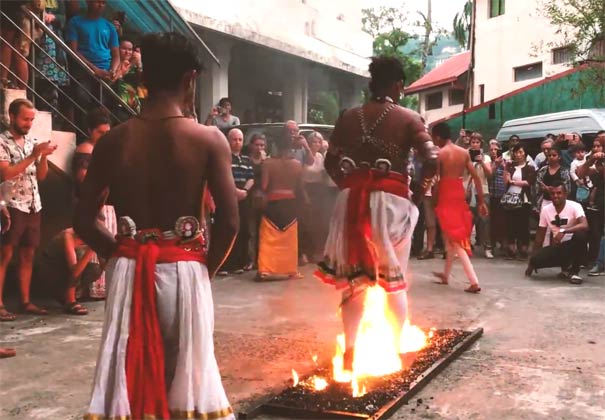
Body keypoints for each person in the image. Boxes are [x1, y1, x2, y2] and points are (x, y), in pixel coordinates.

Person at [74, 32, 238, 420]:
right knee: (186, 374)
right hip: (185, 270)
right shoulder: (208, 139)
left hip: (130, 270)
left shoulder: (113, 140)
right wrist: (204, 271)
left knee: (128, 373)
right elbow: (230, 222)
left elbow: (83, 219)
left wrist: (121, 254)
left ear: (145, 74)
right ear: (190, 79)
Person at [316, 56, 438, 369]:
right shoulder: (409, 117)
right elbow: (432, 161)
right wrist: (416, 195)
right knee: (394, 276)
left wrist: (349, 185)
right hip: (392, 203)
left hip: (351, 201)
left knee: (354, 279)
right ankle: (396, 353)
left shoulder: (347, 117)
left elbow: (330, 163)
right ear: (397, 84)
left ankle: (351, 353)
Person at [0, 99, 57, 321]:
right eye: (25, 119)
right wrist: (33, 155)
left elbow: (41, 177)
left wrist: (43, 158)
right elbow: (6, 173)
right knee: (5, 254)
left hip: (34, 204)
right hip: (12, 204)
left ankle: (25, 301)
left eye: (31, 119)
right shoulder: (3, 142)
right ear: (11, 116)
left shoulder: (31, 141)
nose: (29, 123)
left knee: (28, 253)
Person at [431, 122, 487, 293]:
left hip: (446, 194)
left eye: (434, 138)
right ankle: (446, 275)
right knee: (451, 237)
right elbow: (476, 177)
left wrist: (435, 200)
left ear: (438, 137)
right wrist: (481, 201)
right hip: (458, 192)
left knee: (455, 239)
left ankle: (474, 280)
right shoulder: (463, 153)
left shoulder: (440, 154)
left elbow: (437, 181)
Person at [72, 107, 115, 298]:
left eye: (107, 132)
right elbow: (83, 178)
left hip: (103, 202)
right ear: (90, 131)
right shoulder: (86, 150)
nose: (104, 136)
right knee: (92, 248)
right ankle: (76, 292)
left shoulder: (104, 149)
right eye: (100, 132)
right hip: (90, 204)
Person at [256, 127, 305, 280]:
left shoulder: (268, 163)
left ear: (275, 145)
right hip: (290, 202)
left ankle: (265, 269)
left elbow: (264, 186)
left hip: (273, 202)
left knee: (269, 236)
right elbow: (299, 187)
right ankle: (291, 269)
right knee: (289, 238)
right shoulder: (297, 164)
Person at [66, 0, 120, 139]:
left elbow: (116, 55)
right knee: (82, 101)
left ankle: (103, 139)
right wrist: (94, 69)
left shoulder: (109, 26)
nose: (100, 5)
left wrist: (113, 70)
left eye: (103, 3)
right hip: (83, 70)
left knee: (104, 107)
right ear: (89, 2)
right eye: (97, 2)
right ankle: (82, 138)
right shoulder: (76, 22)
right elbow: (73, 50)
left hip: (106, 71)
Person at [525, 181, 588, 284]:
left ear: (565, 194)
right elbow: (539, 237)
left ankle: (574, 271)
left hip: (575, 245)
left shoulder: (575, 206)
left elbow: (584, 225)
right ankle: (565, 267)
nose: (555, 196)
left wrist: (563, 231)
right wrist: (532, 262)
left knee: (581, 235)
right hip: (559, 247)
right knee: (535, 260)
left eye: (559, 193)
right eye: (553, 193)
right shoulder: (546, 210)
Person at [218, 128, 254, 275]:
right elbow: (222, 177)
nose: (237, 142)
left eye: (240, 140)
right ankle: (225, 265)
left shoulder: (246, 159)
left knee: (243, 230)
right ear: (228, 140)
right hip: (227, 197)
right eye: (234, 139)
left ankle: (239, 263)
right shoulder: (223, 157)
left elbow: (251, 177)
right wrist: (234, 191)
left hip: (243, 197)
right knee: (227, 229)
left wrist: (244, 191)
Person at [576, 136, 605, 274]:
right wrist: (592, 159)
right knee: (596, 233)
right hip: (599, 202)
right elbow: (581, 173)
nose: (595, 149)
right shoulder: (595, 163)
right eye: (594, 146)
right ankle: (595, 262)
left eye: (598, 146)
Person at [502, 144, 535, 260]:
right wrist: (506, 172)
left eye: (520, 152)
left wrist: (513, 182)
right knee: (510, 224)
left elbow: (528, 182)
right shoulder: (510, 166)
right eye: (516, 152)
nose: (518, 155)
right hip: (510, 198)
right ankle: (511, 249)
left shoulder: (530, 168)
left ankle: (524, 249)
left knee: (523, 225)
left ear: (525, 153)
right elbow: (505, 181)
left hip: (523, 199)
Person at [465, 133, 493, 258]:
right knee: (468, 218)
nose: (475, 144)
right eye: (473, 142)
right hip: (468, 190)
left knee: (484, 219)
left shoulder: (486, 157)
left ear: (481, 144)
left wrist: (481, 162)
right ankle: (466, 245)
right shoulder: (465, 155)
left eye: (477, 142)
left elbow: (490, 174)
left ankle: (487, 247)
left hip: (483, 190)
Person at [487, 140, 507, 254]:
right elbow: (489, 177)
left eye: (496, 149)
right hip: (491, 194)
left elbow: (507, 178)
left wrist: (504, 166)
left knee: (502, 221)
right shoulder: (488, 162)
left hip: (502, 194)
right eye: (491, 150)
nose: (494, 152)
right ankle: (492, 244)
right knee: (492, 221)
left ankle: (504, 245)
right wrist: (495, 165)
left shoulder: (505, 161)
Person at [113, 39, 144, 114]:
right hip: (116, 102)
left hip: (133, 105)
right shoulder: (113, 63)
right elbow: (111, 80)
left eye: (130, 49)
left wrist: (139, 63)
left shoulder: (135, 67)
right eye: (124, 49)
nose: (127, 52)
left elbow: (143, 81)